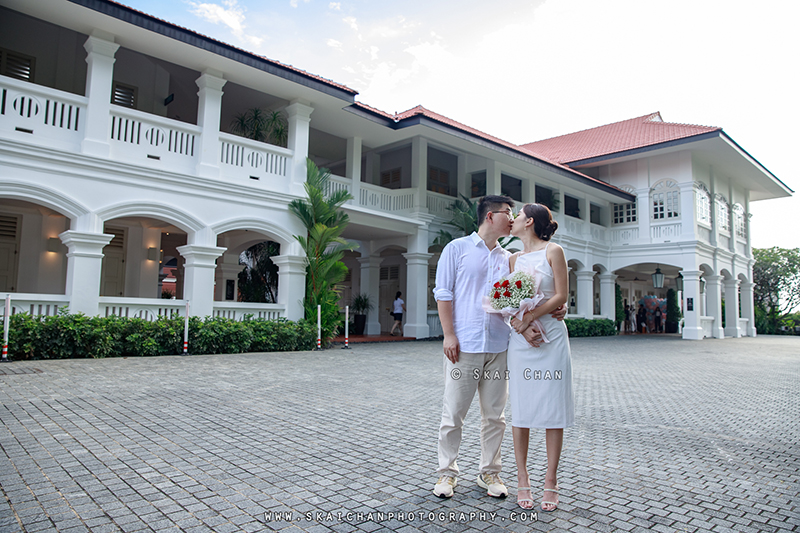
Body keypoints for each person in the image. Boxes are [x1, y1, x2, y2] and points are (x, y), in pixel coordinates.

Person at [431, 195, 566, 500]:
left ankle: (489, 472)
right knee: (453, 413)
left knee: (495, 416)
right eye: (508, 213)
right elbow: (443, 294)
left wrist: (558, 307)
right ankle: (446, 474)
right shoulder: (457, 249)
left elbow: (525, 297)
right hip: (463, 347)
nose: (512, 218)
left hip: (499, 346)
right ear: (491, 216)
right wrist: (448, 335)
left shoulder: (508, 258)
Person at [506, 203, 573, 512]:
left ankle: (551, 480)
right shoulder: (514, 259)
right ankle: (522, 477)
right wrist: (520, 326)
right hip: (522, 341)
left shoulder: (553, 251)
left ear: (529, 221)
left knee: (552, 406)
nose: (513, 220)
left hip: (552, 339)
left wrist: (532, 315)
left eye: (516, 216)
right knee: (521, 406)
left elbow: (561, 295)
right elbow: (507, 303)